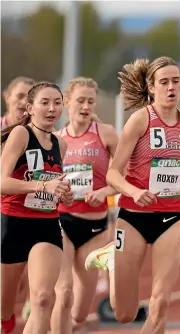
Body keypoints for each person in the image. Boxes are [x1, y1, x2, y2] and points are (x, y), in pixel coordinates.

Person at [84, 57, 180, 333]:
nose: (171, 87)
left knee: (160, 302)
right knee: (124, 313)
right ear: (151, 87)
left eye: (176, 81)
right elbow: (113, 174)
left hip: (172, 218)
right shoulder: (140, 121)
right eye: (164, 82)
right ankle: (113, 261)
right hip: (133, 218)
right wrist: (134, 191)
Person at [1, 81, 74, 333]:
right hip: (13, 225)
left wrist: (64, 193)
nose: (52, 108)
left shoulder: (60, 144)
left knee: (43, 299)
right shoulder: (21, 135)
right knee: (4, 310)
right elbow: (1, 181)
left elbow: (54, 184)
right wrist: (42, 187)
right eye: (45, 102)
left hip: (46, 225)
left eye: (57, 102)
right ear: (30, 108)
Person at [49, 77, 119, 333]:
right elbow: (44, 183)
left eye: (90, 101)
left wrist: (103, 192)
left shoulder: (106, 134)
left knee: (79, 312)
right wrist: (56, 191)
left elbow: (125, 177)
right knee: (63, 292)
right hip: (62, 223)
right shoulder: (55, 140)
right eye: (80, 100)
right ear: (67, 103)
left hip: (96, 229)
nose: (86, 106)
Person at [1, 76, 37, 322]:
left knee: (21, 279)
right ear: (7, 98)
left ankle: (11, 313)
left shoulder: (39, 136)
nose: (24, 102)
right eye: (20, 96)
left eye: (29, 98)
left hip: (25, 213)